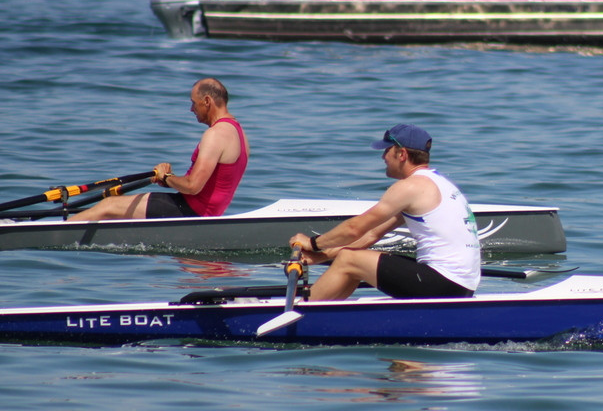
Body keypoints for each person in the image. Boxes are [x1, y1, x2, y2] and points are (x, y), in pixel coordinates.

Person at [289, 124, 481, 301]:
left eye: (387, 150)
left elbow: (355, 229)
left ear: (402, 154)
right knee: (352, 256)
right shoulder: (439, 183)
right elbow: (371, 234)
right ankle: (325, 312)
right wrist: (323, 256)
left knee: (348, 260)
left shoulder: (410, 187)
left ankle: (304, 313)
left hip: (444, 284)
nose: (383, 157)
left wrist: (313, 244)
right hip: (461, 286)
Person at [68, 78, 249, 221]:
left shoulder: (215, 134)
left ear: (207, 101)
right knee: (116, 212)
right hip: (205, 212)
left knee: (108, 205)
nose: (191, 108)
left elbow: (193, 186)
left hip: (191, 211)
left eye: (194, 103)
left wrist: (167, 177)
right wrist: (166, 180)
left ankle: (58, 232)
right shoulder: (239, 133)